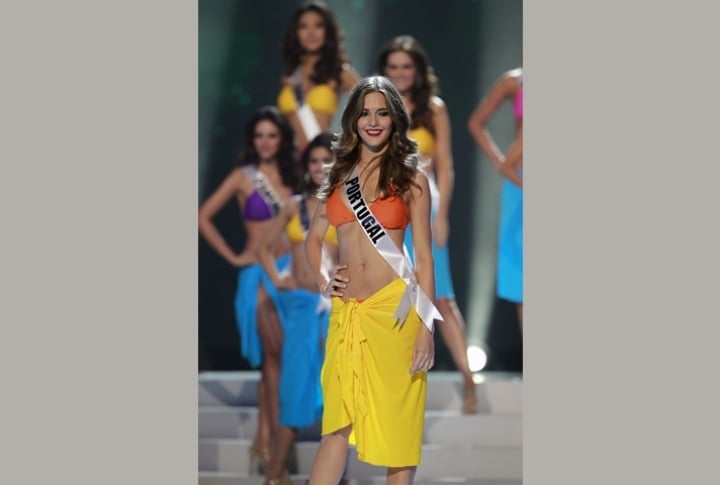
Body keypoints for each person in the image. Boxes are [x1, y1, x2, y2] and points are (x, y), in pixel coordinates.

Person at [304, 76, 442, 485]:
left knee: (398, 431)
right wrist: (325, 276)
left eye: (382, 112)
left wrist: (426, 329)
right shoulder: (337, 178)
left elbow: (426, 260)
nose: (373, 120)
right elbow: (314, 241)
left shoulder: (412, 178)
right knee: (335, 427)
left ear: (395, 120)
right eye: (365, 112)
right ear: (353, 120)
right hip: (349, 315)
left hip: (396, 313)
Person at [377, 35, 478, 413]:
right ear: (384, 71)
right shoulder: (379, 106)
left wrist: (445, 215)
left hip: (426, 205)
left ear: (418, 71)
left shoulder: (434, 109)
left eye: (406, 67)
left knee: (441, 296)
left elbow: (447, 164)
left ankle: (468, 379)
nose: (400, 73)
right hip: (386, 207)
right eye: (393, 67)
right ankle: (396, 378)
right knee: (392, 292)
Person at [197, 106, 301, 473]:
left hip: (292, 275)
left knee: (277, 359)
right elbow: (202, 216)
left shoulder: (295, 175)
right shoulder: (244, 177)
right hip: (258, 274)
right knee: (274, 357)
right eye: (259, 136)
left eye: (272, 135)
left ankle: (264, 439)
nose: (265, 142)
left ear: (282, 139)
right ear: (251, 140)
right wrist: (233, 256)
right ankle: (274, 448)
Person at [256, 133, 339, 485]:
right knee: (293, 390)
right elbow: (262, 247)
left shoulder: (345, 204)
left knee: (335, 394)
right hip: (301, 307)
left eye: (326, 160)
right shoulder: (294, 205)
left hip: (334, 307)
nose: (320, 167)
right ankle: (274, 475)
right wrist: (277, 279)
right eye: (314, 161)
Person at [467, 67, 523, 333]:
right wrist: (504, 164)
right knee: (523, 278)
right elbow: (476, 123)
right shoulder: (515, 81)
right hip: (521, 180)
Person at [277, 1, 360, 150]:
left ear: (327, 31)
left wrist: (351, 143)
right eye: (303, 26)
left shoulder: (339, 72)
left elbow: (373, 102)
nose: (311, 33)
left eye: (318, 26)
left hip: (318, 161)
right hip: (288, 160)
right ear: (296, 33)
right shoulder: (291, 74)